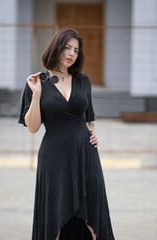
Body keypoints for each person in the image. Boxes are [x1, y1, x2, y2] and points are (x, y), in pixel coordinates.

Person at [18, 27, 115, 240]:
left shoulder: (83, 81)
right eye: (67, 48)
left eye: (76, 50)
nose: (72, 53)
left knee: (93, 216)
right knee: (57, 216)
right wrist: (36, 95)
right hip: (55, 157)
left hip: (86, 155)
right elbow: (33, 127)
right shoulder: (37, 82)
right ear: (56, 47)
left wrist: (92, 133)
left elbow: (89, 119)